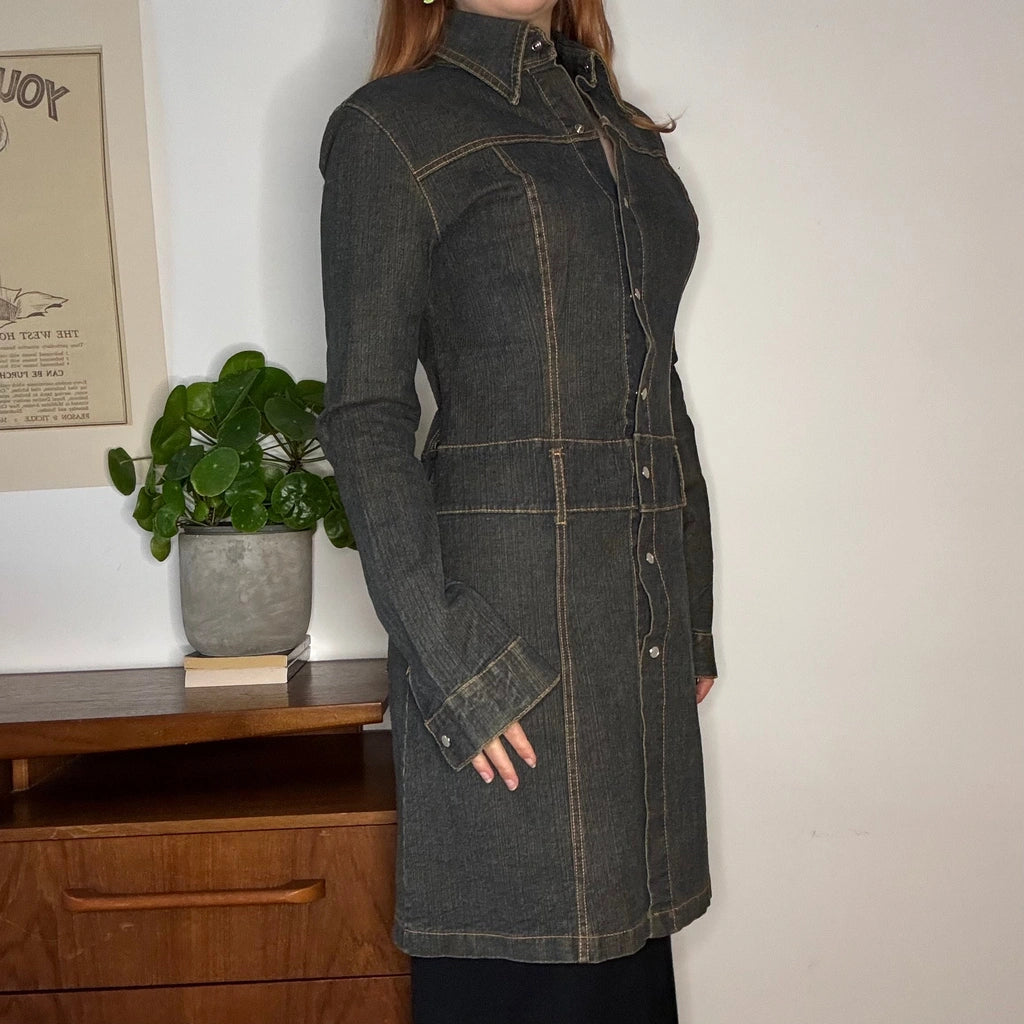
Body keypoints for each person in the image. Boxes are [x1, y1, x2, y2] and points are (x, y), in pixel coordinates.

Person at [315, 2, 719, 1021]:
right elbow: (364, 415)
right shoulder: (392, 127)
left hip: (636, 634)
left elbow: (656, 387)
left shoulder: (616, 128)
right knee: (528, 969)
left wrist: (691, 612)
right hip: (507, 634)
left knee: (625, 973)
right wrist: (458, 668)